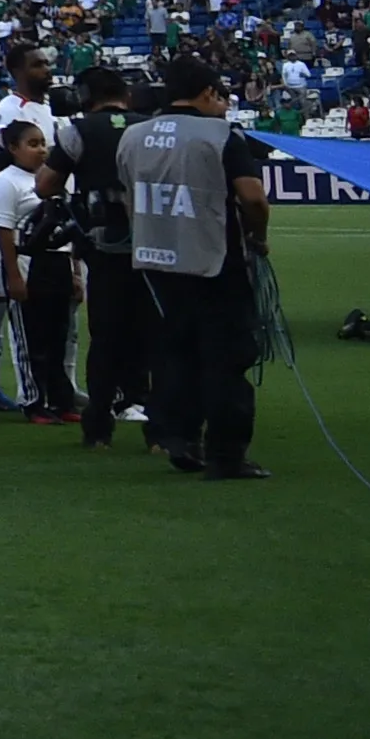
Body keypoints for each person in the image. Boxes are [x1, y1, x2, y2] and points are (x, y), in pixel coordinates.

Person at [122, 55, 272, 479]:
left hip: (155, 261)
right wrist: (258, 237)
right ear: (207, 92)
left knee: (176, 355)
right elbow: (253, 197)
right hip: (212, 260)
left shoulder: (133, 136)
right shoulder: (221, 135)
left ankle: (179, 438)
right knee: (227, 358)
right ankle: (226, 455)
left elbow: (129, 197)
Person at [48, 61, 148, 446]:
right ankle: (159, 424)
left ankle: (99, 426)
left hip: (103, 246)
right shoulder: (149, 126)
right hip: (154, 244)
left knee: (105, 336)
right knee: (155, 336)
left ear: (85, 97)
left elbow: (46, 184)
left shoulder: (78, 131)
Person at [0, 118, 70, 428]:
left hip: (58, 260)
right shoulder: (7, 182)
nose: (40, 150)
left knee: (58, 336)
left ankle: (60, 399)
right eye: (32, 144)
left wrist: (75, 271)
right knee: (31, 337)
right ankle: (33, 400)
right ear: (13, 148)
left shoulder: (52, 178)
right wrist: (13, 275)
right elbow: (3, 230)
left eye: (43, 144)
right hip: (27, 262)